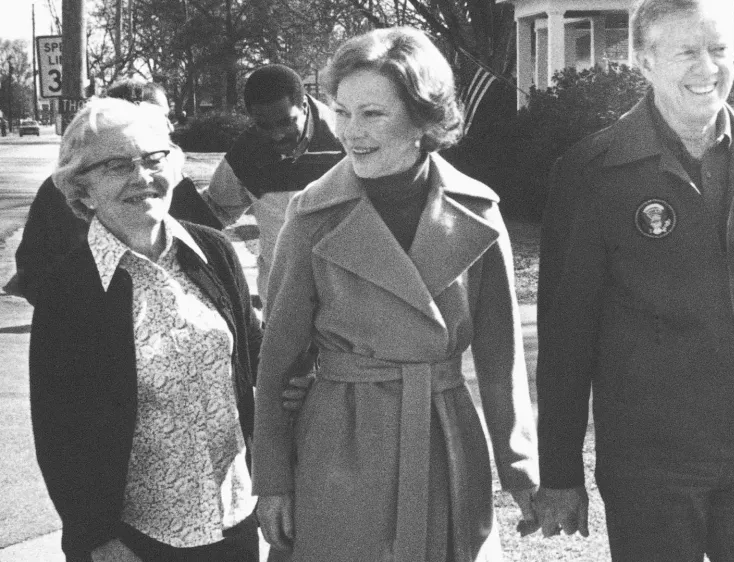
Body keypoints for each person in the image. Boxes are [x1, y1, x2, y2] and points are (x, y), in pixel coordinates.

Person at [533, 0, 734, 560]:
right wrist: (560, 472)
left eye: (719, 50)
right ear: (643, 61)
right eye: (687, 51)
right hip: (647, 472)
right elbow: (567, 336)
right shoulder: (592, 172)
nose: (708, 68)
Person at [251, 27, 539, 561]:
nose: (351, 132)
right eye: (342, 111)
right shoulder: (312, 215)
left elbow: (501, 358)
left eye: (373, 114)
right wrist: (272, 479)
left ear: (422, 119)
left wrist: (519, 464)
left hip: (442, 432)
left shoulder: (479, 212)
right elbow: (277, 361)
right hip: (340, 442)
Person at [29, 97, 262, 562]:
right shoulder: (69, 288)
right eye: (117, 165)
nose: (142, 177)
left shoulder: (213, 252)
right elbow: (58, 431)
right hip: (135, 539)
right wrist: (96, 538)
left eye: (154, 159)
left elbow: (259, 370)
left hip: (233, 521)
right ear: (83, 187)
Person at [9, 78, 221, 306]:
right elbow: (33, 267)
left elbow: (208, 247)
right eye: (117, 166)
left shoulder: (166, 178)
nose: (169, 127)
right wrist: (68, 308)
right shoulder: (63, 188)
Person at [203, 64, 342, 313]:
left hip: (346, 306)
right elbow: (210, 214)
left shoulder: (347, 139)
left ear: (305, 106)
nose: (277, 135)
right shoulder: (246, 153)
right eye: (263, 125)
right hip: (281, 306)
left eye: (286, 122)